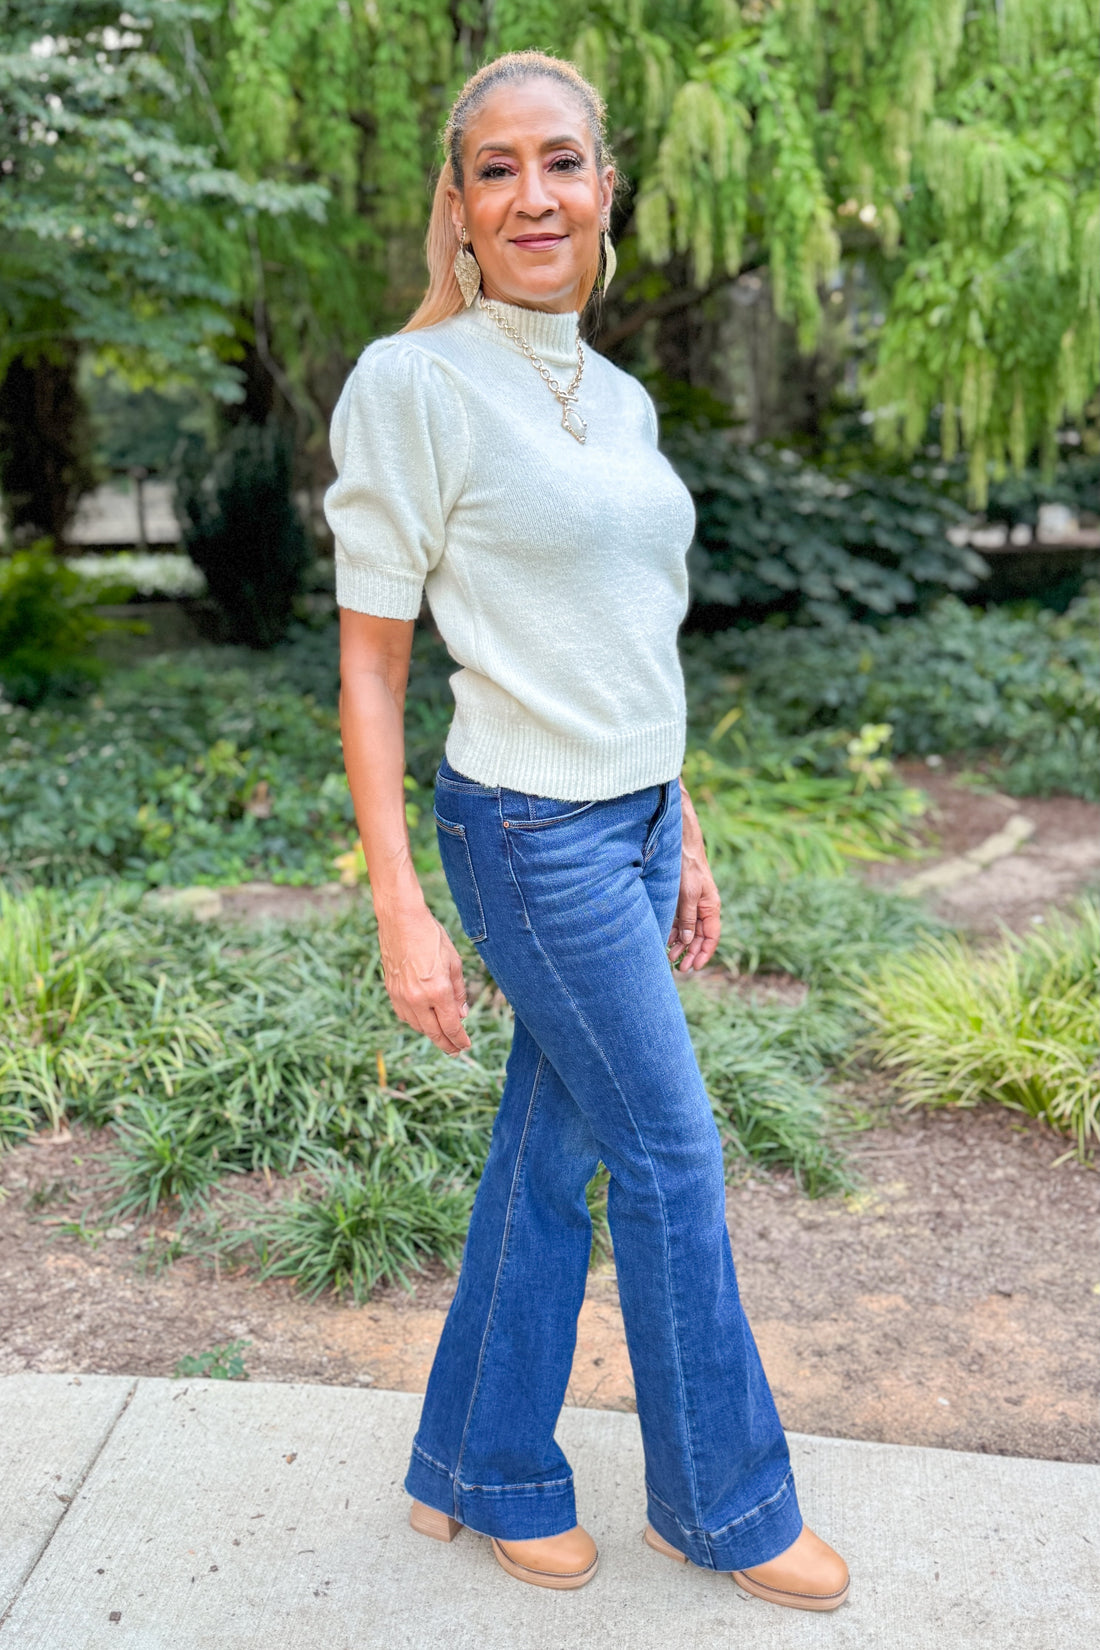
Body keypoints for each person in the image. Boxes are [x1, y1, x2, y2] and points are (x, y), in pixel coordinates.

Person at [325, 49, 849, 1613]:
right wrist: (399, 908)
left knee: (547, 1163)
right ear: (461, 208)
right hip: (527, 834)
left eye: (561, 161)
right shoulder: (411, 384)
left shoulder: (615, 397)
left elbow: (631, 630)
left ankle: (471, 1461)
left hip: (624, 822)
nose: (533, 193)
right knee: (675, 1157)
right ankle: (725, 1504)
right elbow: (370, 659)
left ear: (608, 188)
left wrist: (677, 817)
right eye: (497, 167)